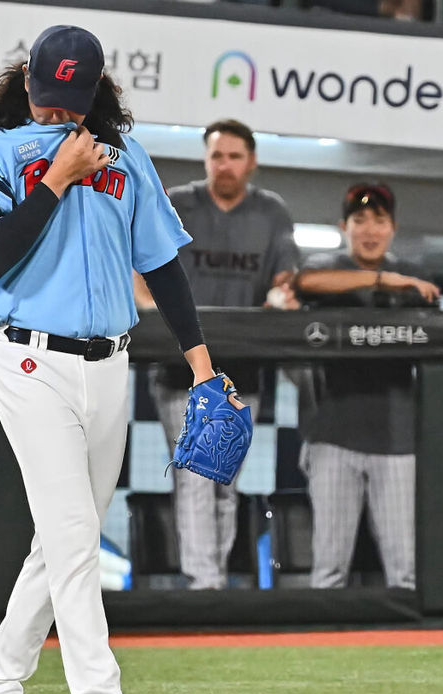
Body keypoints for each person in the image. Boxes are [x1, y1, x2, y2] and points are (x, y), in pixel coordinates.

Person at [0, 25, 241, 694]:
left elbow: (165, 266)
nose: (57, 111)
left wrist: (202, 364)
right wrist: (55, 177)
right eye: (48, 97)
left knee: (63, 539)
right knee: (78, 535)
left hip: (110, 363)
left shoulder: (127, 157)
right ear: (28, 85)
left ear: (93, 92)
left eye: (70, 100)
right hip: (27, 360)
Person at [134, 118, 300, 590]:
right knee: (195, 476)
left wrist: (280, 296)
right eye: (216, 155)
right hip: (180, 368)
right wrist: (154, 315)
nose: (223, 165)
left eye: (233, 156)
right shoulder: (179, 202)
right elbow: (139, 264)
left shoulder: (272, 212)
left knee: (224, 480)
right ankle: (202, 584)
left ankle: (216, 579)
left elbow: (284, 278)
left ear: (252, 162)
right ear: (206, 159)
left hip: (243, 368)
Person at [293, 183, 439, 589]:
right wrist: (382, 280)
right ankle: (321, 652)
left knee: (404, 570)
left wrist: (394, 281)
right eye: (360, 221)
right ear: (344, 226)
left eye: (379, 221)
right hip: (331, 436)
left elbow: (430, 305)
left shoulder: (415, 278)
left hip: (396, 441)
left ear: (393, 228)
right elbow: (306, 281)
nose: (370, 230)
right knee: (329, 569)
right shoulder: (329, 269)